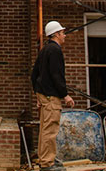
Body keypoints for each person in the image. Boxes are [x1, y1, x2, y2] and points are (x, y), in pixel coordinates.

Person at [31, 21, 75, 171]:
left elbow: (34, 73)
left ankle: (46, 158)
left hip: (44, 94)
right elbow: (57, 75)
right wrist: (65, 95)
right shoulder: (55, 50)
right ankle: (47, 164)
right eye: (62, 33)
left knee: (45, 129)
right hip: (51, 96)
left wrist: (37, 94)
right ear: (56, 34)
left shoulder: (44, 50)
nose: (64, 35)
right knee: (50, 130)